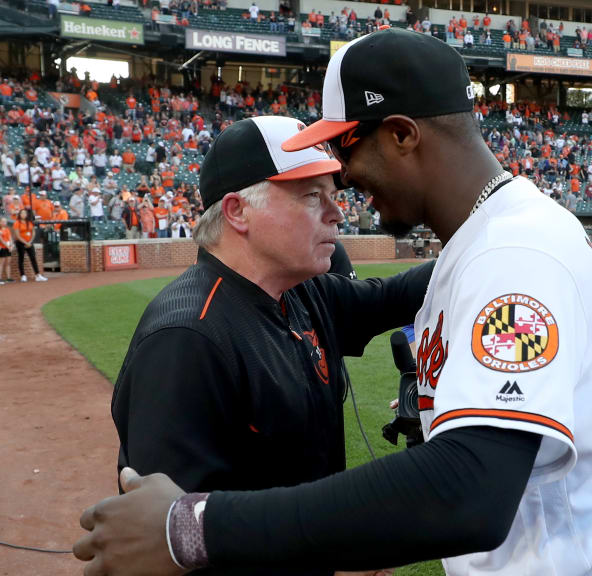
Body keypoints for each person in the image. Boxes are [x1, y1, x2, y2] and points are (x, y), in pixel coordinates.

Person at [75, 28, 592, 576]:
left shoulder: (514, 252)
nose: (342, 180)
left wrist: (190, 529)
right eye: (311, 188)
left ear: (400, 135)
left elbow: (469, 490)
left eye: (344, 148)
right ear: (237, 211)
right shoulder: (486, 244)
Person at [81, 116, 433, 576]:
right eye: (311, 196)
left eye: (333, 195)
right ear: (237, 211)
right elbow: (171, 542)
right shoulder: (186, 341)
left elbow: (397, 295)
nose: (338, 213)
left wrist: (496, 239)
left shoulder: (303, 290)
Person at [13, 208, 47, 283]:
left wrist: (30, 242)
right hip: (20, 243)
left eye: (25, 213)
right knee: (21, 258)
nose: (23, 214)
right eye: (22, 213)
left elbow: (33, 232)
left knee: (33, 258)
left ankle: (38, 275)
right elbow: (17, 235)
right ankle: (23, 275)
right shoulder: (17, 223)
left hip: (29, 242)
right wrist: (25, 242)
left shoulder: (29, 222)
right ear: (19, 214)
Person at [0, 216, 12, 284]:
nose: (4, 223)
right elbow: (1, 240)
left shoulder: (7, 229)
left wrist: (11, 245)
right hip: (2, 248)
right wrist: (8, 246)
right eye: (3, 221)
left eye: (5, 221)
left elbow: (10, 238)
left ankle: (8, 278)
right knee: (1, 263)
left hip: (8, 248)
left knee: (8, 263)